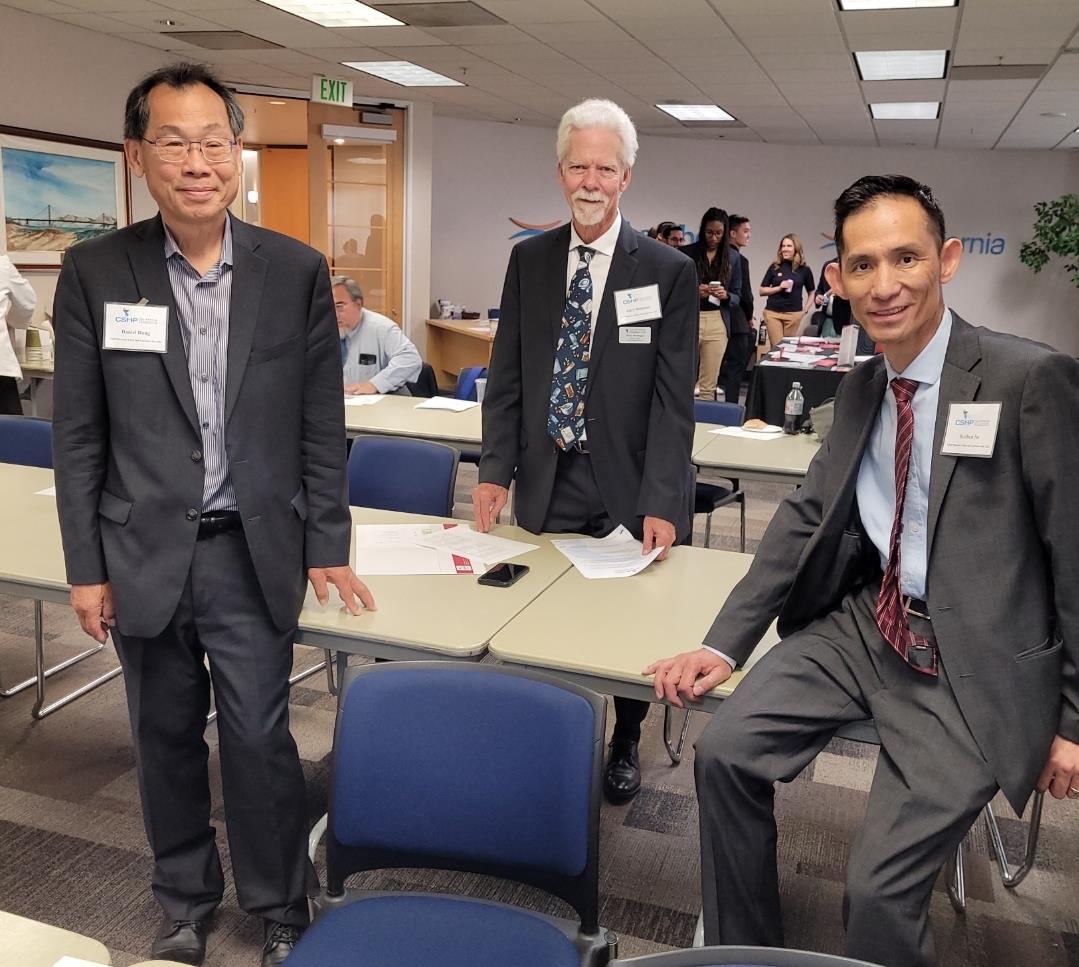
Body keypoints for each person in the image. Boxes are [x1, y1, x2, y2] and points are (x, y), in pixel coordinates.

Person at [646, 174, 1079, 967]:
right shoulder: (860, 387)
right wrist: (722, 645)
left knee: (876, 891)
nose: (885, 285)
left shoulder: (1026, 380)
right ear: (838, 277)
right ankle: (748, 953)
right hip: (867, 624)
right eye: (862, 264)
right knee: (724, 753)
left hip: (972, 662)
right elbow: (804, 517)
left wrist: (1074, 720)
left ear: (945, 259)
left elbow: (1074, 554)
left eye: (905, 257)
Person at [51, 63, 376, 967]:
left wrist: (328, 542)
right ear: (137, 156)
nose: (197, 162)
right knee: (160, 736)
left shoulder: (296, 271)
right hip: (141, 548)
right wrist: (86, 564)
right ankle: (185, 899)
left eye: (213, 142)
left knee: (259, 737)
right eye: (173, 143)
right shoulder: (94, 271)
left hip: (250, 549)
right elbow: (78, 433)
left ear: (237, 153)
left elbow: (322, 423)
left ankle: (278, 902)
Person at [472, 98, 696, 806]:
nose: (590, 180)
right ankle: (545, 738)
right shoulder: (529, 261)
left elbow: (672, 403)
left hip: (627, 484)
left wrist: (663, 498)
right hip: (546, 474)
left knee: (626, 624)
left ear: (626, 176)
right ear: (560, 171)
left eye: (605, 167)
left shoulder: (665, 271)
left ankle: (624, 735)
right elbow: (506, 375)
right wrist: (490, 469)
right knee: (540, 619)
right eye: (578, 166)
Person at [680, 208, 742, 401]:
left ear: (725, 234)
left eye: (718, 233)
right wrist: (694, 291)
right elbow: (675, 290)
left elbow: (737, 296)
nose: (713, 238)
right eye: (709, 232)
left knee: (709, 383)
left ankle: (705, 425)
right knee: (683, 378)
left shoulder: (733, 257)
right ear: (702, 230)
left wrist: (725, 295)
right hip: (692, 318)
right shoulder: (686, 253)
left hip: (717, 320)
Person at [332, 275, 421, 395]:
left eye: (339, 307)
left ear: (358, 304)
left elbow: (410, 359)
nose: (334, 314)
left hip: (376, 403)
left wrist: (374, 384)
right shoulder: (321, 330)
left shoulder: (381, 327)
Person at [759, 233, 815, 349]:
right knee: (777, 348)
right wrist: (779, 287)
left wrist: (804, 311)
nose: (785, 249)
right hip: (773, 313)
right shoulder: (775, 267)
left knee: (788, 349)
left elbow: (812, 292)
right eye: (783, 246)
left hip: (793, 315)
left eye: (789, 246)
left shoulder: (804, 270)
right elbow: (761, 290)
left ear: (796, 249)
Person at [0, 254, 37, 415]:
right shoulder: (2, 265)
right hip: (1, 370)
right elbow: (27, 303)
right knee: (9, 437)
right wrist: (14, 322)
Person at [723, 214, 754, 404]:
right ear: (732, 234)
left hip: (719, 318)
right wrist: (749, 317)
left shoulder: (719, 257)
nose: (749, 235)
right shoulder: (739, 260)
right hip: (737, 321)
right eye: (745, 231)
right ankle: (731, 408)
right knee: (735, 370)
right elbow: (746, 294)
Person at [815, 254, 852, 337]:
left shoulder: (853, 267)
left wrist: (841, 292)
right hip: (826, 320)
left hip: (845, 322)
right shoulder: (828, 265)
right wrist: (818, 297)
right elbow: (820, 289)